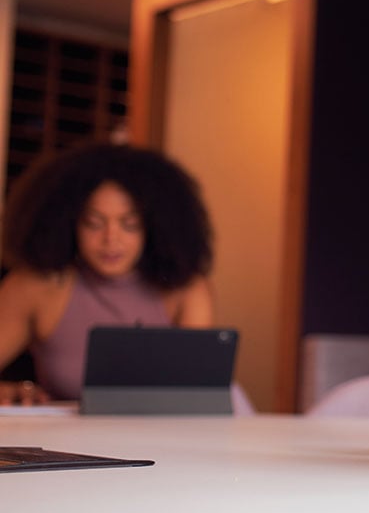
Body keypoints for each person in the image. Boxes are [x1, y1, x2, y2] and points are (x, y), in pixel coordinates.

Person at [0, 142, 214, 405]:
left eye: (130, 224)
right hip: (62, 440)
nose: (111, 239)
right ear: (68, 223)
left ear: (155, 227)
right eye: (94, 223)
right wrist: (7, 391)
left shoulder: (187, 289)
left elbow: (196, 396)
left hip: (158, 440)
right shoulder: (34, 287)